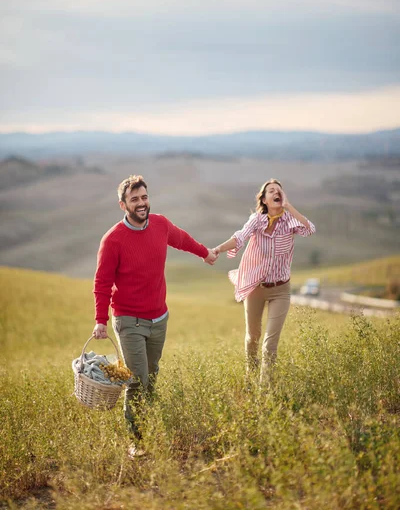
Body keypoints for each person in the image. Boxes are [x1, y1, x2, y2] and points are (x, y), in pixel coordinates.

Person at [92, 175, 217, 450]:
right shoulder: (113, 240)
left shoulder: (160, 224)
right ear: (122, 205)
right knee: (137, 380)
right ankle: (136, 442)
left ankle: (150, 426)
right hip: (128, 320)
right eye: (134, 199)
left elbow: (182, 239)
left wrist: (204, 253)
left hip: (159, 318)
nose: (141, 203)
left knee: (152, 376)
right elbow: (102, 283)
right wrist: (101, 320)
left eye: (144, 197)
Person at [213, 178, 315, 383]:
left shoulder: (290, 221)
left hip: (281, 290)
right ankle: (250, 376)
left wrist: (288, 206)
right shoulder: (257, 220)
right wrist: (217, 249)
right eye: (271, 191)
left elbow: (309, 229)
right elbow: (240, 237)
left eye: (279, 190)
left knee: (270, 344)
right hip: (256, 288)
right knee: (253, 337)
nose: (276, 192)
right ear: (265, 199)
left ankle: (264, 392)